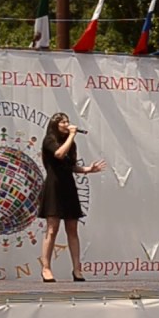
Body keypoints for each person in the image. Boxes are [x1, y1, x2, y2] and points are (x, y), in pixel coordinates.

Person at [37, 112, 106, 283]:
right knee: (52, 229)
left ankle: (77, 269)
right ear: (56, 125)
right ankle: (46, 268)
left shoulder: (71, 144)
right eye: (63, 122)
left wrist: (88, 170)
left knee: (72, 229)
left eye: (68, 122)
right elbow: (59, 154)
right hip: (54, 186)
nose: (67, 125)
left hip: (68, 187)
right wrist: (72, 135)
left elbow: (71, 166)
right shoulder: (49, 141)